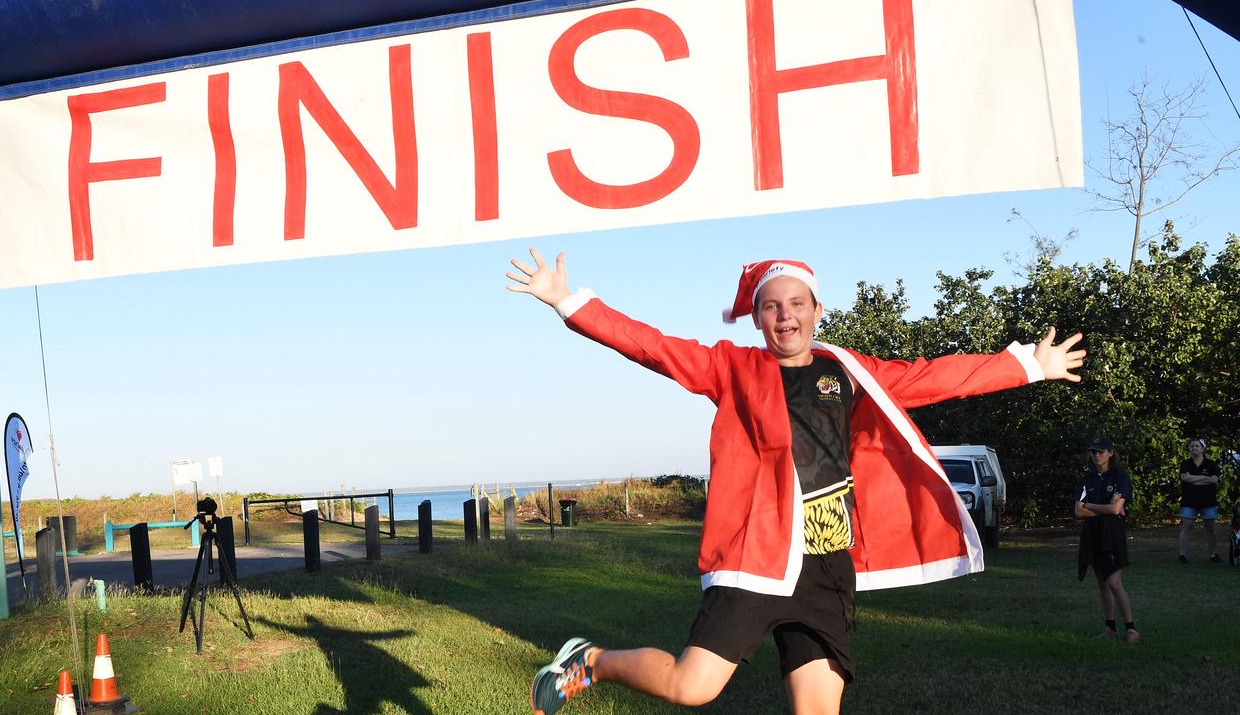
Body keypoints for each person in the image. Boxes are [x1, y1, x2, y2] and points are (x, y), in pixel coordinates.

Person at [507, 249, 1086, 715]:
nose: (785, 316)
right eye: (772, 307)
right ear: (758, 318)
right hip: (756, 557)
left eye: (796, 304)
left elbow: (929, 378)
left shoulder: (847, 370)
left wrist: (1028, 365)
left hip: (828, 565)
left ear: (816, 309)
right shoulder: (732, 367)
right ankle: (592, 662)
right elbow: (653, 347)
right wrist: (569, 302)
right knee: (692, 686)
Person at [1074, 436, 1138, 644]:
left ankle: (1131, 629)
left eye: (1101, 451)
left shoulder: (1120, 477)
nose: (1097, 455)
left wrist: (1090, 506)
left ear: (1110, 453)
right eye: (1094, 451)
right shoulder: (1087, 480)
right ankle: (1110, 627)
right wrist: (1102, 509)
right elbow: (1078, 511)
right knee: (1102, 583)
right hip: (1092, 534)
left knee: (1114, 582)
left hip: (1112, 534)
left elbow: (1116, 509)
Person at [1177, 437, 1222, 564]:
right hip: (1189, 501)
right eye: (1192, 446)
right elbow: (1184, 478)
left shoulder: (1211, 464)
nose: (1194, 448)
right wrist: (1203, 478)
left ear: (1203, 448)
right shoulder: (1185, 463)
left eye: (1197, 446)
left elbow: (1214, 480)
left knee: (1210, 528)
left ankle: (1213, 554)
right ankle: (1182, 555)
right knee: (1187, 526)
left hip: (1208, 501)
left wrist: (1194, 479)